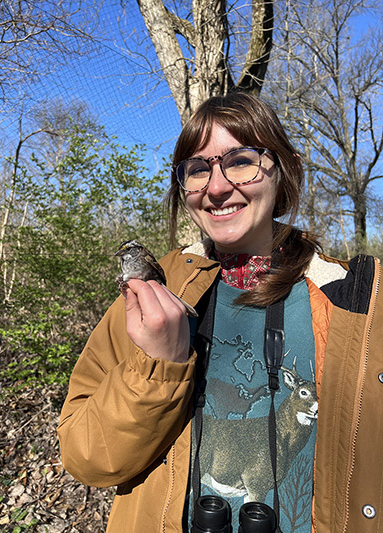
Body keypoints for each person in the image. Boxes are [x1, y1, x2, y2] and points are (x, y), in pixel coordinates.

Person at [57, 92, 383, 533]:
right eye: (197, 169)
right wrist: (157, 368)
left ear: (283, 168)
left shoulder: (357, 302)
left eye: (241, 160)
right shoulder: (154, 295)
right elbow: (86, 458)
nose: (215, 187)